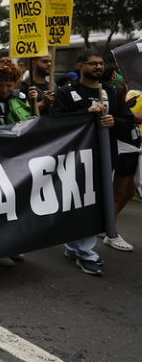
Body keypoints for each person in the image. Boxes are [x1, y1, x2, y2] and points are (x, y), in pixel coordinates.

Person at [52, 50, 138, 262]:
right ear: (81, 66)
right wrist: (85, 114)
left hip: (105, 156)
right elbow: (55, 121)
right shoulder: (66, 92)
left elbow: (128, 120)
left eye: (101, 64)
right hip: (76, 157)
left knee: (95, 202)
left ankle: (82, 249)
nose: (99, 67)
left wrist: (114, 122)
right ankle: (78, 247)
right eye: (93, 64)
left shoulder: (112, 92)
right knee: (77, 203)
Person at [0, 62, 32, 127]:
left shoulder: (21, 97)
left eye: (9, 86)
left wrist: (34, 102)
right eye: (0, 85)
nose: (4, 90)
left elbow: (31, 117)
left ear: (16, 84)